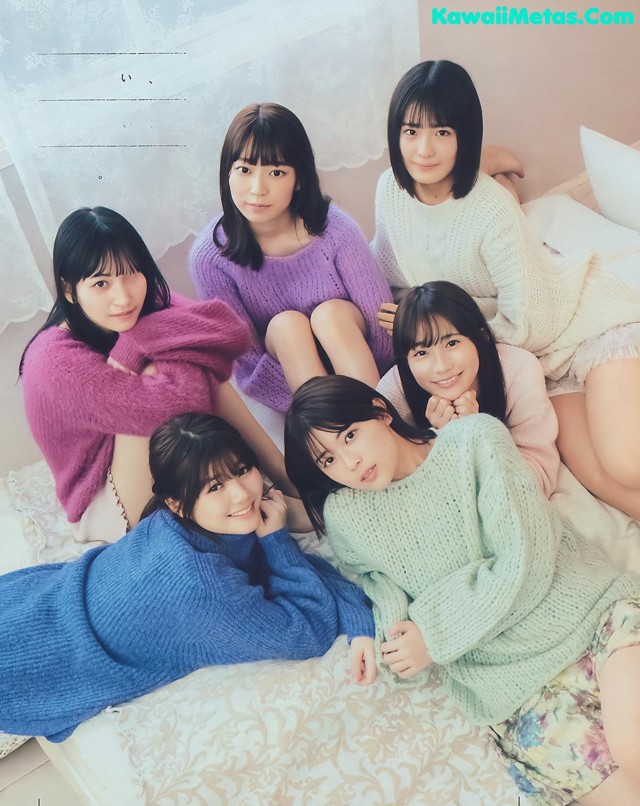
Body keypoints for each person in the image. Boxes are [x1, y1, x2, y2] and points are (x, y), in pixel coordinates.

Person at [284, 375, 640, 806]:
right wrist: (395, 645)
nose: (349, 462)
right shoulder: (346, 517)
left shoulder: (474, 440)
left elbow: (525, 556)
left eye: (350, 434)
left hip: (590, 614)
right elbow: (384, 594)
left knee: (633, 747)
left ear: (381, 410)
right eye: (327, 459)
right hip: (513, 691)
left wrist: (435, 630)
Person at [0, 412, 376, 744]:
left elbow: (300, 570)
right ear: (177, 503)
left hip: (41, 600)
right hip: (37, 652)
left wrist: (357, 615)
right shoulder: (201, 588)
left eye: (243, 470)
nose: (242, 495)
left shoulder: (184, 524)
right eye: (215, 487)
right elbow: (309, 630)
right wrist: (276, 541)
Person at [371, 59, 640, 520]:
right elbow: (396, 268)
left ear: (463, 134)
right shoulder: (389, 190)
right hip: (533, 360)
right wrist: (416, 315)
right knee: (596, 477)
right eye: (411, 131)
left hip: (573, 322)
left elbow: (532, 317)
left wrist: (449, 332)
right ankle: (488, 161)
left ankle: (485, 165)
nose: (423, 149)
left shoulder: (491, 211)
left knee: (626, 462)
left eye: (442, 133)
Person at [20, 206, 306, 541]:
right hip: (105, 499)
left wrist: (135, 341)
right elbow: (177, 405)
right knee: (180, 365)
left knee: (184, 360)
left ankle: (284, 477)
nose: (123, 296)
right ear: (69, 290)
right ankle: (255, 505)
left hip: (149, 444)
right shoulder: (53, 360)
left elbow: (232, 332)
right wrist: (179, 347)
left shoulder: (147, 303)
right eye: (101, 283)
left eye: (131, 274)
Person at [189, 102, 394, 412]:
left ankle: (381, 418)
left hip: (358, 358)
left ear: (299, 179)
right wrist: (302, 406)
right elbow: (249, 363)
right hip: (296, 376)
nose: (257, 190)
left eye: (276, 172)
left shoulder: (336, 230)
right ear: (227, 173)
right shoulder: (211, 258)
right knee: (287, 326)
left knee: (330, 316)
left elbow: (381, 324)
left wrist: (381, 378)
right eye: (244, 170)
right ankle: (324, 428)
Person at [377, 280, 559, 496]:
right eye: (421, 353)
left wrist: (480, 433)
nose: (441, 366)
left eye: (452, 343)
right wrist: (437, 441)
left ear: (480, 337)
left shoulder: (518, 370)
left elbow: (540, 476)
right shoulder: (395, 390)